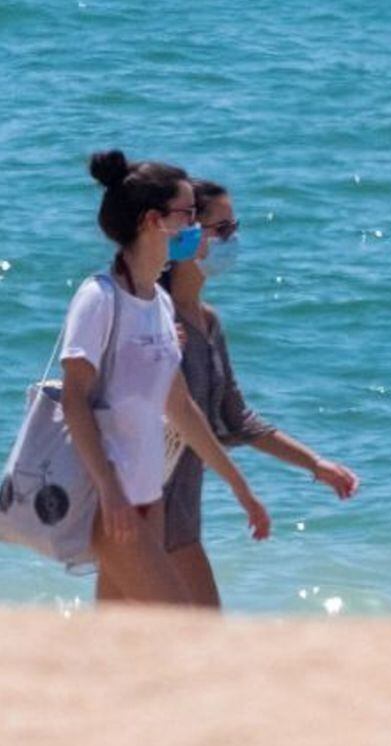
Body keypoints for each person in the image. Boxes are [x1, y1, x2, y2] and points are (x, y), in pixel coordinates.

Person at [64, 150, 270, 605]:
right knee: (176, 622)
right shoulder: (99, 298)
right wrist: (109, 490)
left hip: (147, 496)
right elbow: (73, 399)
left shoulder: (157, 304)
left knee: (121, 631)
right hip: (110, 502)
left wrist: (241, 488)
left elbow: (180, 408)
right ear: (153, 221)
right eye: (188, 215)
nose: (196, 227)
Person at [158, 178, 360, 608]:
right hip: (144, 505)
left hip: (181, 512)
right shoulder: (156, 319)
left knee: (157, 628)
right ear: (187, 234)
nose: (232, 240)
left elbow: (236, 420)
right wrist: (242, 491)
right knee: (196, 626)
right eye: (222, 229)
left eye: (234, 227)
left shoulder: (207, 323)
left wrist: (315, 464)